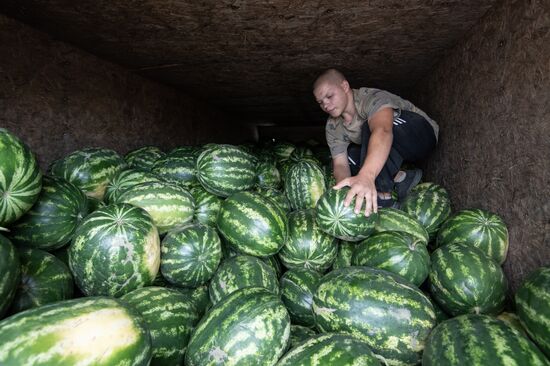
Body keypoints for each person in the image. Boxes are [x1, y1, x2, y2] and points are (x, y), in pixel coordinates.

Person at [313, 68, 439, 216]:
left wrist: (366, 177)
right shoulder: (333, 126)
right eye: (321, 102)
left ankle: (383, 196)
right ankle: (402, 179)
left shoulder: (371, 98)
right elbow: (340, 164)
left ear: (345, 86)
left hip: (420, 135)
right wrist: (347, 193)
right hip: (393, 148)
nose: (326, 105)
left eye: (329, 96)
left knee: (370, 127)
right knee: (351, 156)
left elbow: (383, 130)